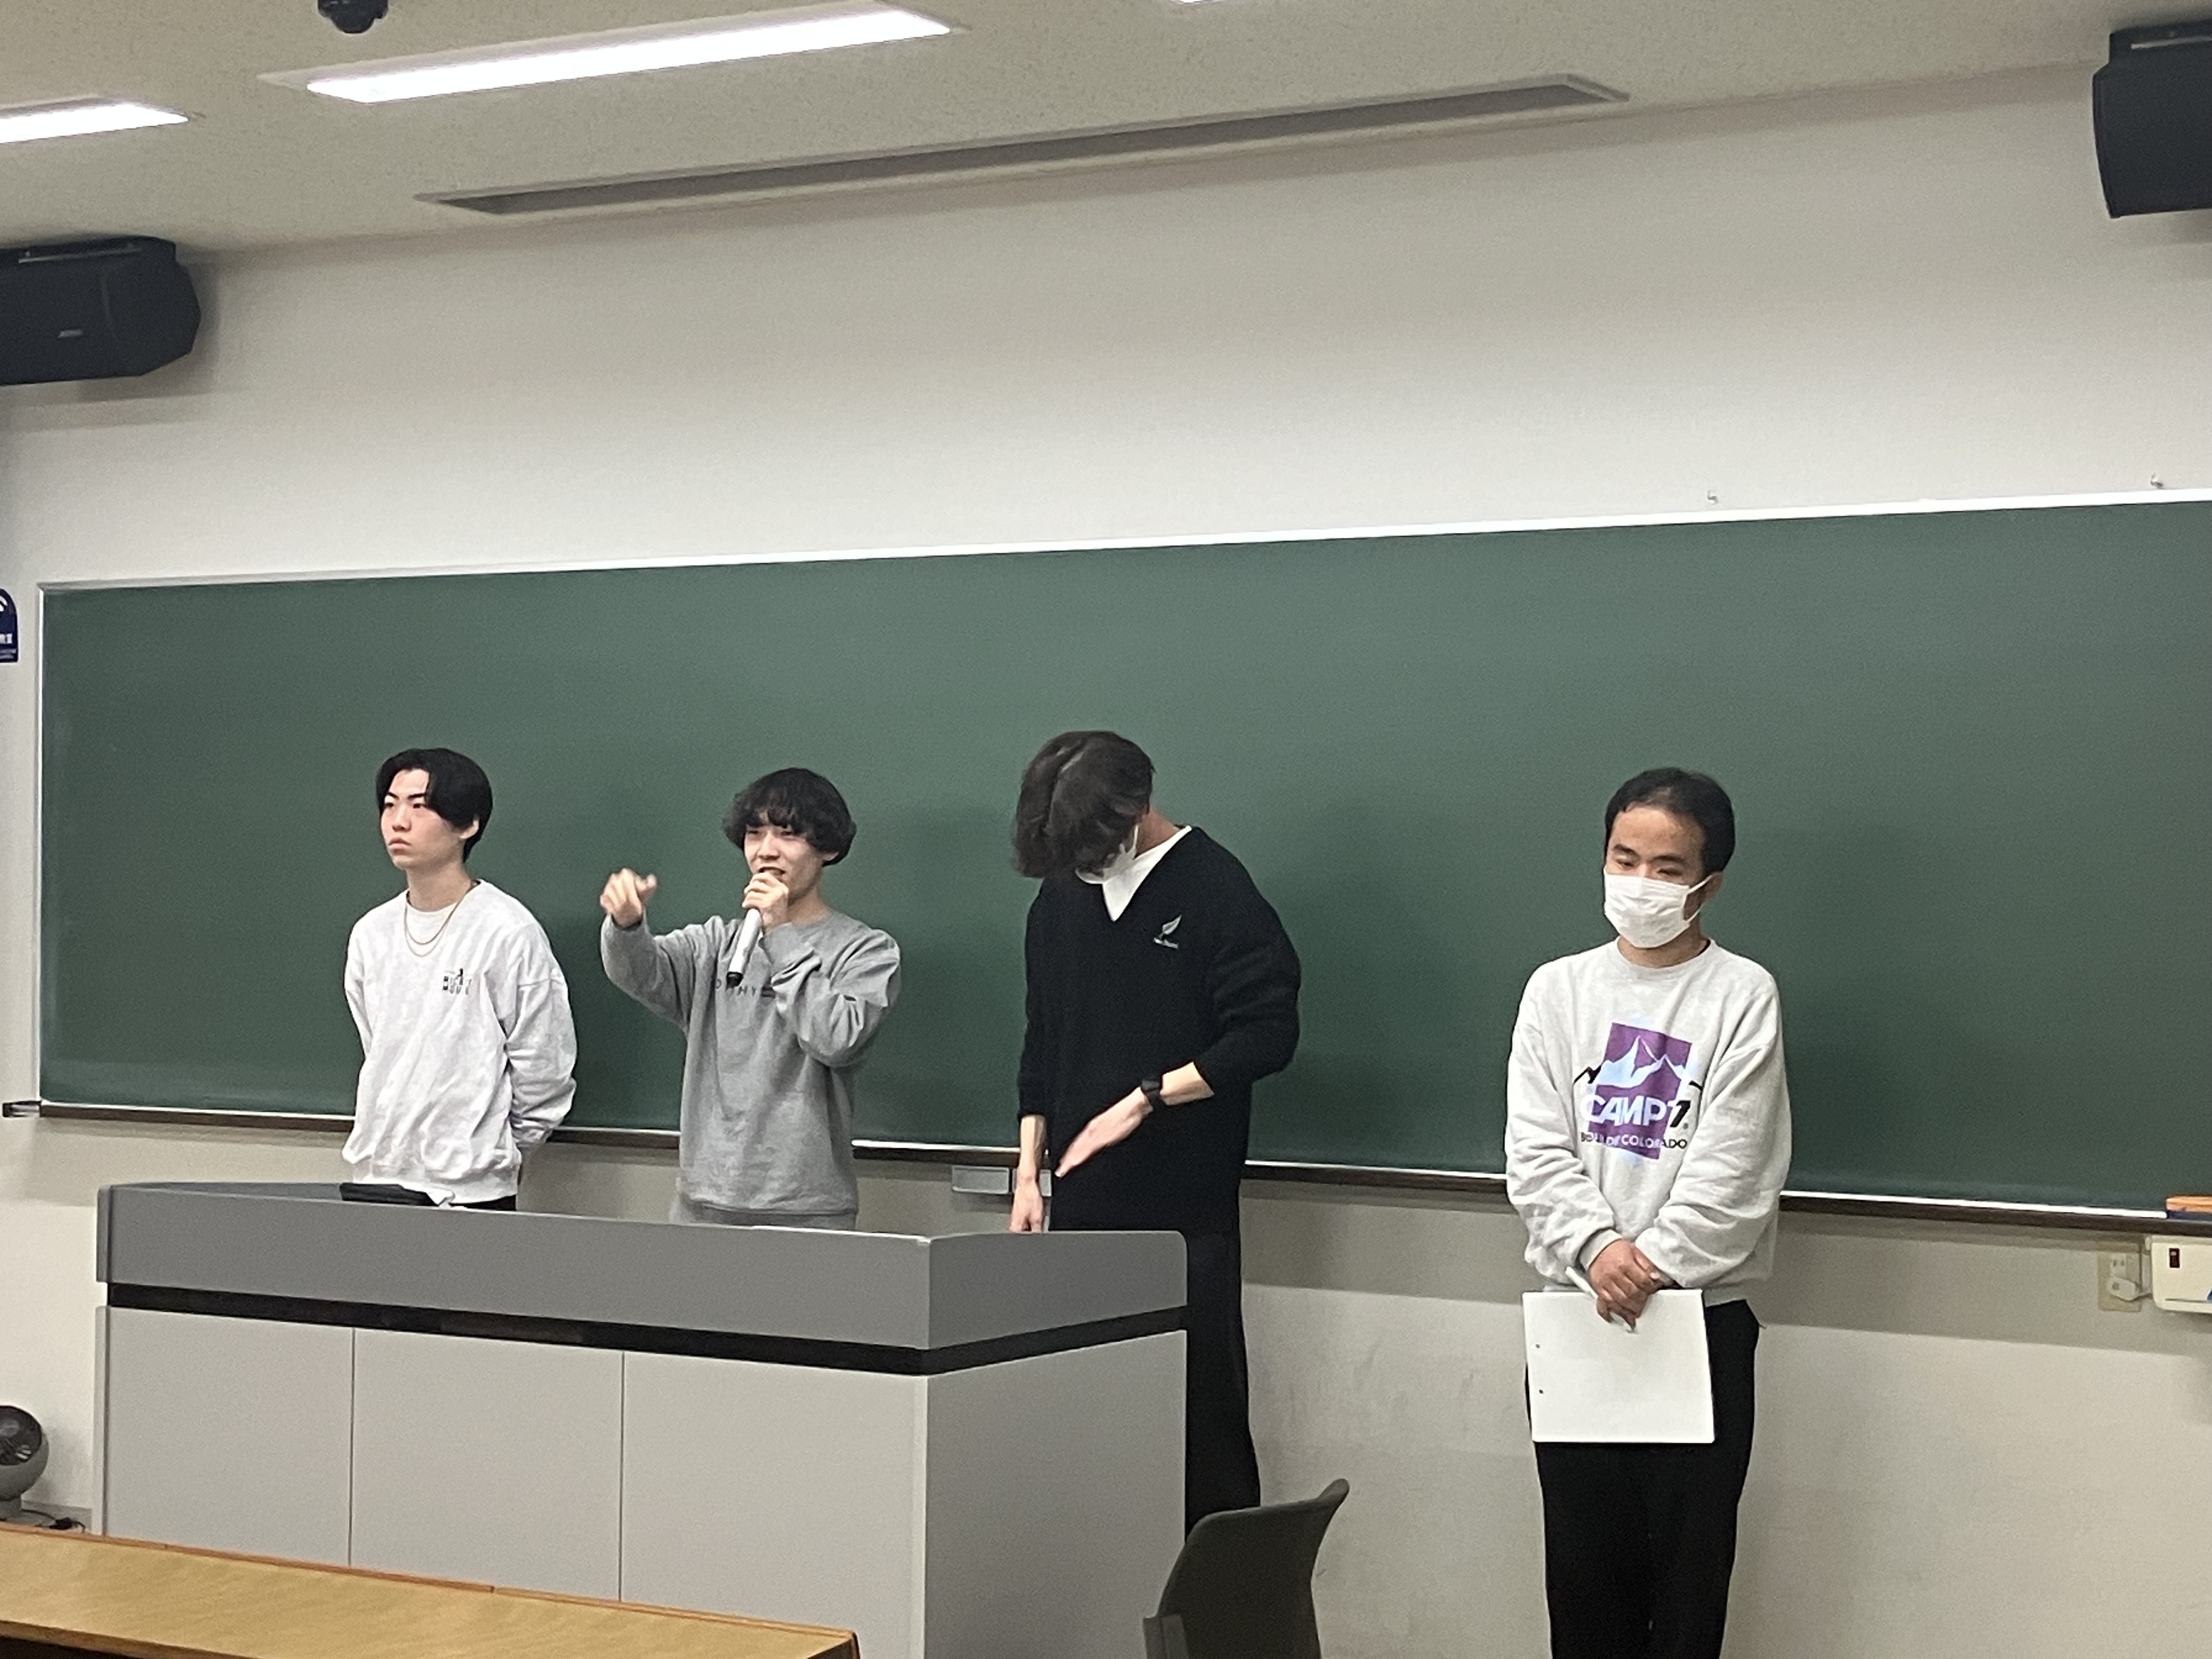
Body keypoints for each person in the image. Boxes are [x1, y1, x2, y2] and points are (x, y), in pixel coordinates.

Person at [1504, 767, 1792, 1659]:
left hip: (1698, 1323)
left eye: (1667, 868)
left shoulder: (1740, 994)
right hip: (1576, 1320)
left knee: (1687, 1588)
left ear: (1709, 883)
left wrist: (1649, 1264)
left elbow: (1736, 1170)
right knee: (1583, 1587)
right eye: (1623, 858)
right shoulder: (1556, 990)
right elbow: (1533, 1152)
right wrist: (1596, 1249)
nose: (1640, 882)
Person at [1007, 731, 1301, 1531]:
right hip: (1079, 1212)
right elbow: (1043, 1042)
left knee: (1200, 1422)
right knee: (1092, 1419)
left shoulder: (1214, 887)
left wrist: (1146, 1099)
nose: (1085, 864)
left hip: (1184, 1218)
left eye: (1094, 845)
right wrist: (1029, 1174)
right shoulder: (1061, 898)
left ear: (1136, 808)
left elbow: (1267, 1035)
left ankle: (1214, 1593)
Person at [600, 768, 900, 1229]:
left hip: (806, 1210)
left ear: (828, 848)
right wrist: (627, 924)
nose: (766, 850)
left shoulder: (866, 951)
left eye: (788, 834)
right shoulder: (716, 943)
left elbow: (836, 1040)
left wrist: (780, 933)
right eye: (755, 834)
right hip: (703, 1202)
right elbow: (641, 975)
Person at [343, 748, 577, 1209]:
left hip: (472, 1189)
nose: (398, 822)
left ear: (468, 824)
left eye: (420, 806)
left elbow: (544, 1068)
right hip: (376, 1176)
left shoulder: (507, 930)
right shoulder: (371, 933)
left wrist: (497, 1153)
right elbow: (379, 1048)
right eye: (390, 805)